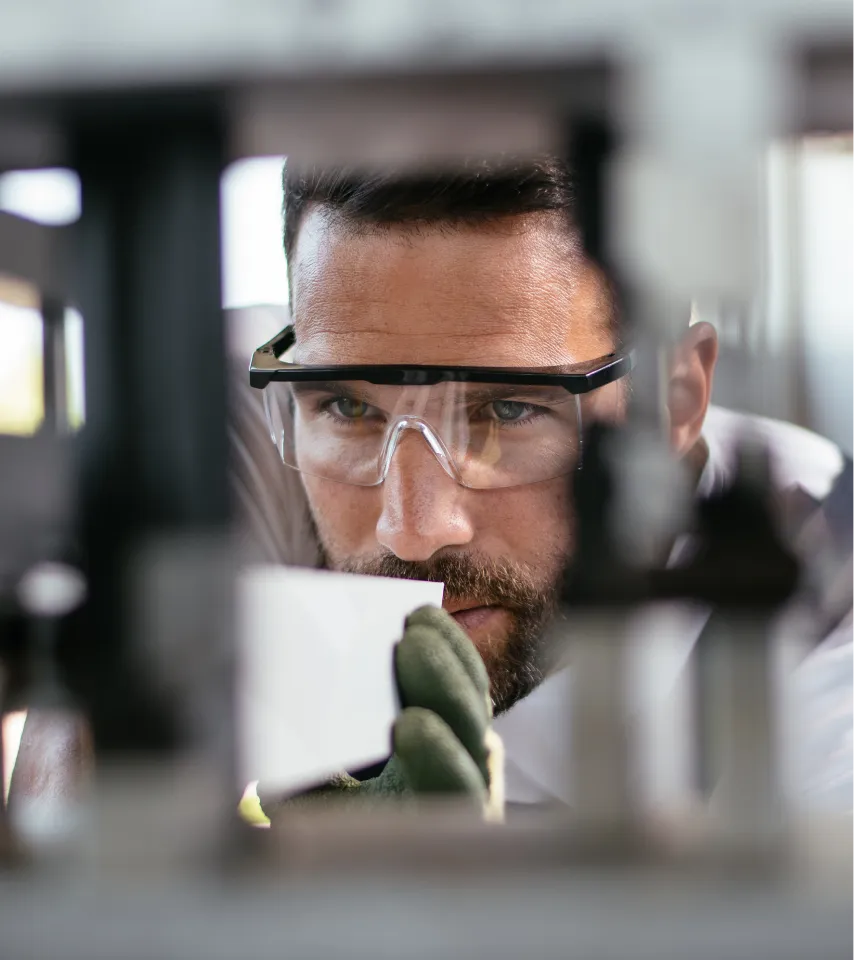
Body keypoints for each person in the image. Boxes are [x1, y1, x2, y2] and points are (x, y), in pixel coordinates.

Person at [231, 157, 854, 822]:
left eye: (508, 411)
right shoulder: (232, 421)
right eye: (350, 410)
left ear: (676, 400)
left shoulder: (827, 658)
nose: (411, 528)